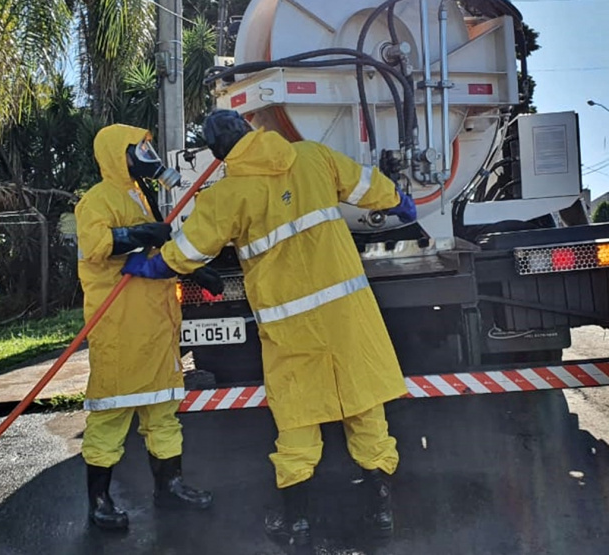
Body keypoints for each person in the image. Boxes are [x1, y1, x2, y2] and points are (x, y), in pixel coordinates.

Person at [122, 110, 416, 549]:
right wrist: (397, 199)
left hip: (290, 327)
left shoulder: (228, 195)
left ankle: (296, 522)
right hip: (347, 319)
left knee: (297, 421)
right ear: (248, 129)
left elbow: (187, 251)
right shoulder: (313, 157)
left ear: (220, 152)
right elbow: (368, 187)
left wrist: (150, 264)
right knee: (365, 409)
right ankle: (380, 511)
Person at [76, 124, 213, 532]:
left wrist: (195, 271)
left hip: (156, 325)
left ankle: (169, 486)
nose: (149, 154)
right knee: (110, 415)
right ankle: (99, 500)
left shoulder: (141, 195)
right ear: (120, 154)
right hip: (119, 326)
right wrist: (136, 234)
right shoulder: (96, 200)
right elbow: (95, 246)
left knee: (163, 412)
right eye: (141, 147)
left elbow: (160, 247)